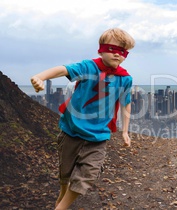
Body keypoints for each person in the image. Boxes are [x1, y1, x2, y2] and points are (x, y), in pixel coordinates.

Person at [30, 28, 135, 210]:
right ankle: (63, 190)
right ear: (100, 50)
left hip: (99, 136)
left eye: (123, 51)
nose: (117, 55)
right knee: (65, 171)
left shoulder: (125, 79)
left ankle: (60, 207)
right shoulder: (89, 67)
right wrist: (40, 77)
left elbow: (126, 103)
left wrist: (125, 131)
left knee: (88, 174)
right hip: (72, 130)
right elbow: (64, 70)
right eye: (112, 49)